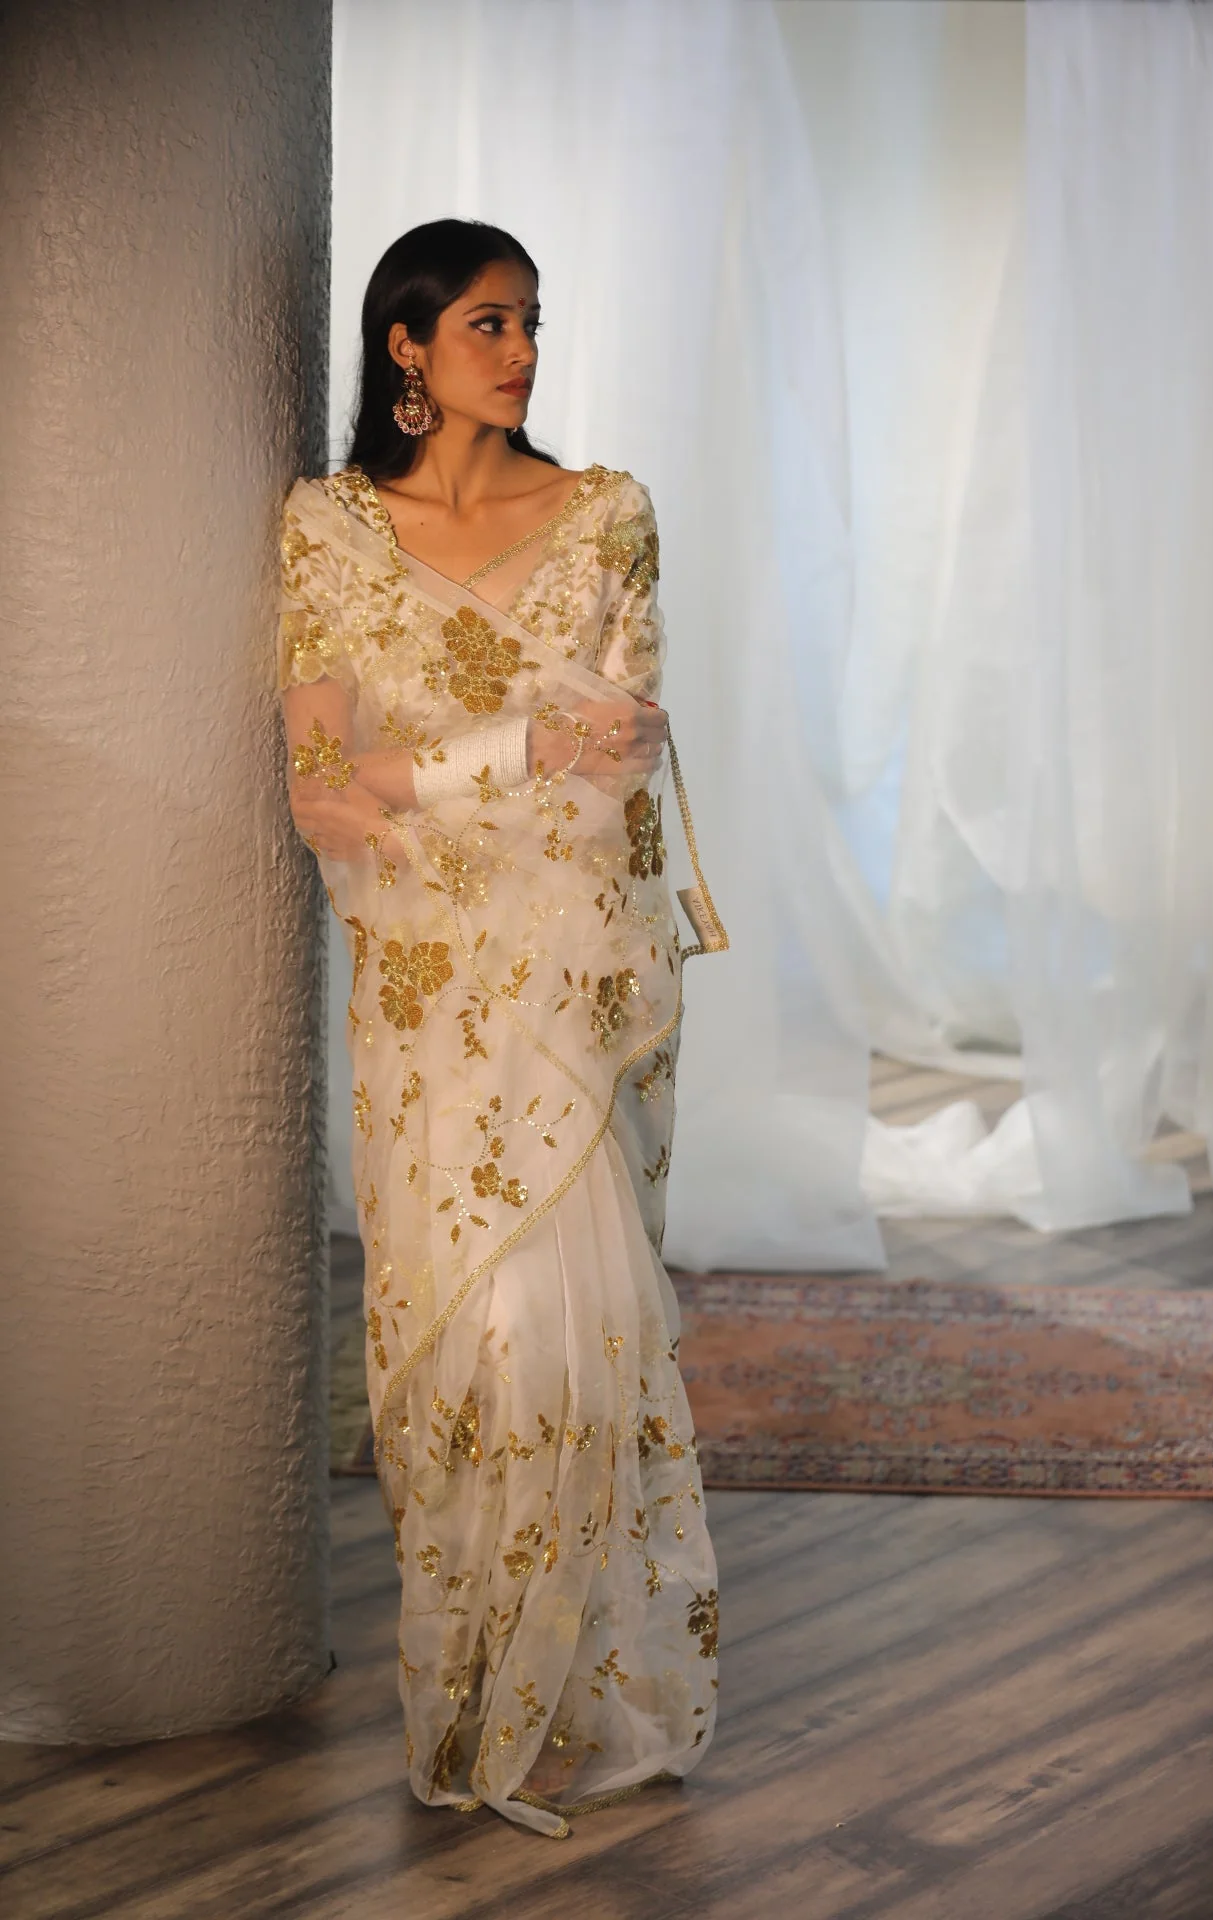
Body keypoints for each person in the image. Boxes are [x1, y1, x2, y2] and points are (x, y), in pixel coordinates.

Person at [276, 219, 727, 1838]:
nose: (524, 350)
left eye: (532, 320)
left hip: (566, 997)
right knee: (458, 1340)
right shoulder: (330, 531)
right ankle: (470, 1693)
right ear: (406, 345)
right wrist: (510, 752)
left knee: (572, 1333)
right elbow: (320, 791)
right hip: (426, 1000)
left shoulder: (608, 513)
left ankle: (575, 1692)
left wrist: (438, 773)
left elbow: (622, 758)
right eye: (487, 322)